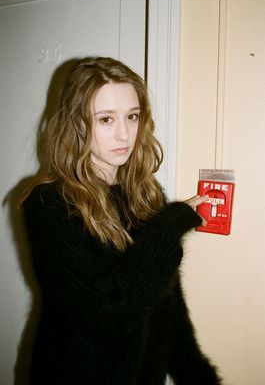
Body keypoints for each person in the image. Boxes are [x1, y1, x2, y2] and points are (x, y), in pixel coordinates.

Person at [22, 56, 222, 384]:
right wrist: (171, 223)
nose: (124, 134)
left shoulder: (144, 193)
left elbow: (166, 308)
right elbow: (112, 310)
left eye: (132, 116)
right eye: (105, 119)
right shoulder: (49, 204)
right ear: (77, 123)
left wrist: (198, 373)